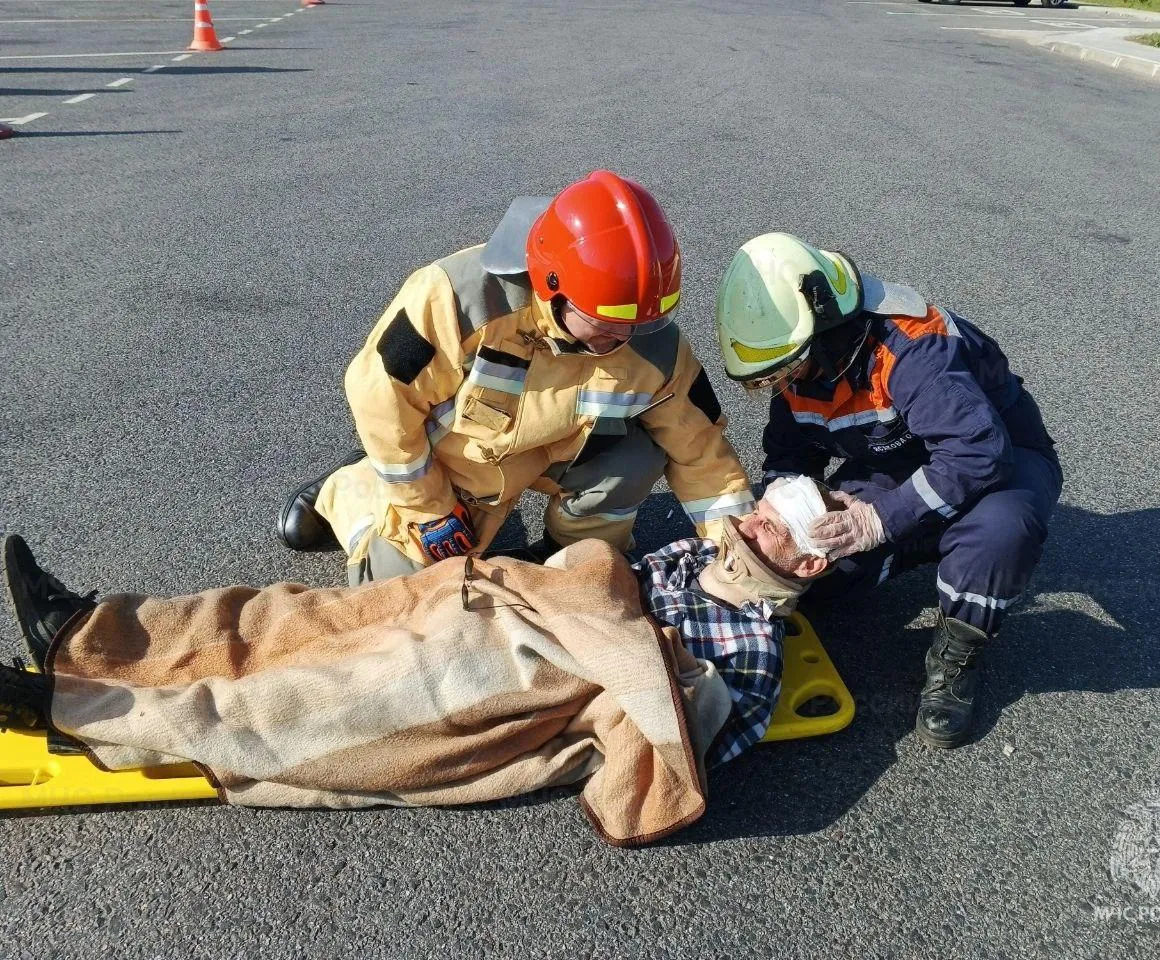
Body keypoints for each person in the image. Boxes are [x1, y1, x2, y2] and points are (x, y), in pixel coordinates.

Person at [0, 478, 834, 837]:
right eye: (756, 512)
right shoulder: (696, 555)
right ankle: (87, 631)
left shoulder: (755, 650)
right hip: (513, 604)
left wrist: (634, 650)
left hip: (540, 673)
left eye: (770, 530)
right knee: (305, 616)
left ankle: (80, 714)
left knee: (334, 695)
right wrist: (591, 593)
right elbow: (599, 576)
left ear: (804, 566)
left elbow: (690, 735)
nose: (747, 528)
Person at [276, 170, 754, 585]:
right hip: (455, 459)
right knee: (402, 594)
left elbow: (703, 455)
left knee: (636, 456)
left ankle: (567, 559)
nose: (625, 335)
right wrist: (429, 510)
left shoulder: (652, 341)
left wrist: (745, 553)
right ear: (553, 287)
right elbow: (380, 398)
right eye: (607, 321)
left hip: (550, 452)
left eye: (641, 318)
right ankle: (351, 489)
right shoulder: (456, 299)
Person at [714, 232, 1062, 749]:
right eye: (770, 379)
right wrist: (780, 513)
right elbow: (791, 456)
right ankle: (914, 546)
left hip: (1001, 456)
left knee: (1000, 532)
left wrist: (877, 521)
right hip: (897, 462)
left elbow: (977, 452)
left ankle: (958, 651)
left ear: (827, 330)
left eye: (788, 370)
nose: (784, 385)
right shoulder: (801, 361)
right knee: (822, 569)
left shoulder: (911, 346)